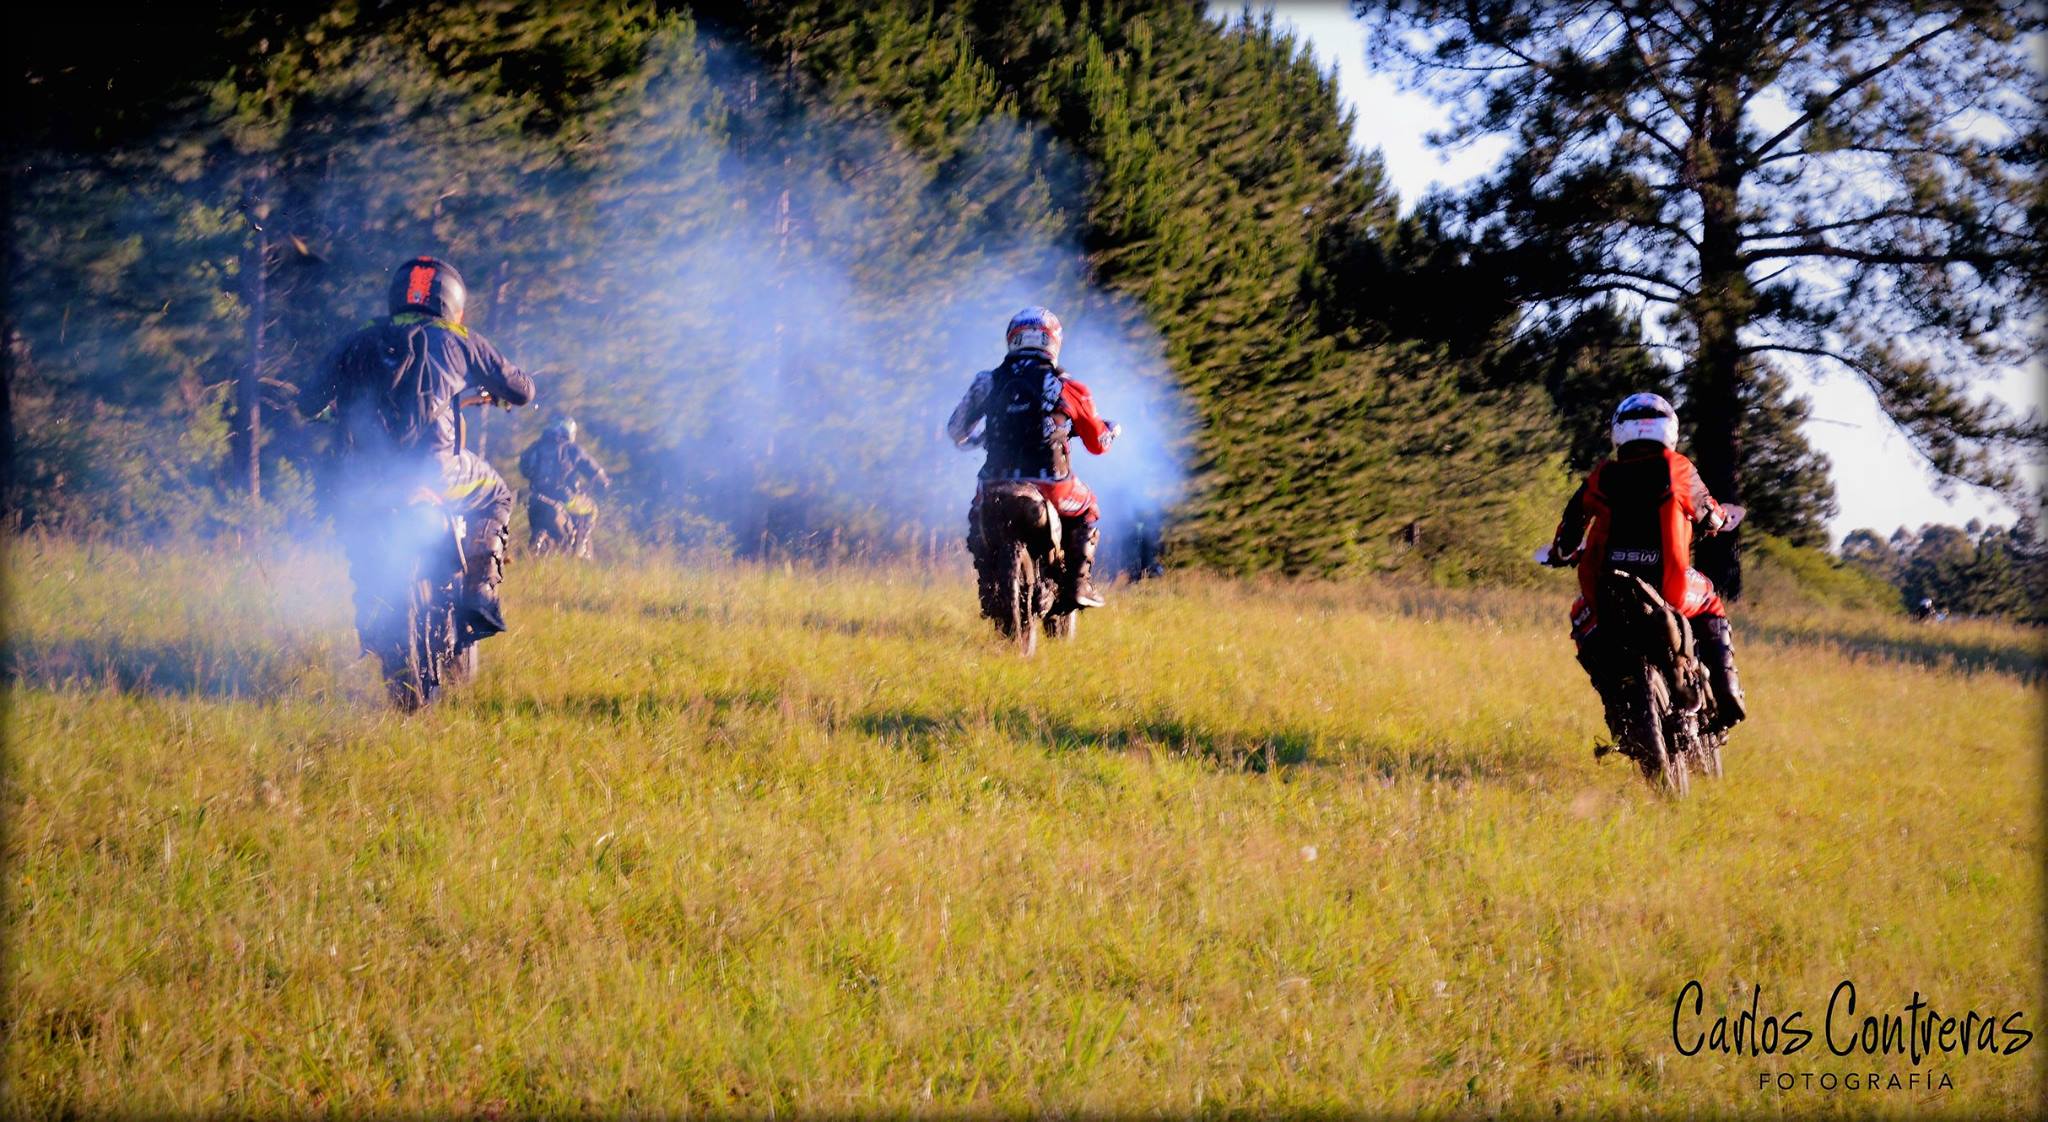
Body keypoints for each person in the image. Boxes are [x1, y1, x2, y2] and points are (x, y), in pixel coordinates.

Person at [299, 255, 534, 640]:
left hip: (369, 476)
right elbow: (522, 391)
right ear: (452, 302)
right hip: (437, 472)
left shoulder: (360, 337)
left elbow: (308, 402)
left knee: (356, 513)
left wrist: (334, 410)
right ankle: (479, 591)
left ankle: (371, 599)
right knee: (497, 495)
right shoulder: (459, 338)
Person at [1547, 393, 1747, 735]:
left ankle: (1615, 702)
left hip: (1604, 590)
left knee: (1580, 617)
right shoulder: (1678, 469)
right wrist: (1713, 521)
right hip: (1671, 587)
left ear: (1619, 432)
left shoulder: (1602, 476)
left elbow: (1569, 528)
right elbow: (1711, 514)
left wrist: (1563, 553)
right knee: (1711, 598)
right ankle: (1728, 689)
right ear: (1668, 430)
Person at [947, 306, 1120, 609]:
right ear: (1052, 341)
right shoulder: (1069, 386)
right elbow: (1098, 445)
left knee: (978, 517)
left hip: (994, 482)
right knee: (1089, 508)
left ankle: (987, 585)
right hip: (1052, 484)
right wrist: (1111, 431)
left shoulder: (986, 382)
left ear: (1012, 339)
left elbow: (956, 429)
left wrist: (977, 440)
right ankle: (1079, 585)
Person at [519, 415, 611, 558]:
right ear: (570, 430)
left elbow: (524, 468)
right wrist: (604, 481)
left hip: (536, 499)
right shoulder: (572, 449)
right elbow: (592, 468)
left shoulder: (536, 446)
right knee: (592, 509)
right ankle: (581, 547)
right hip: (566, 500)